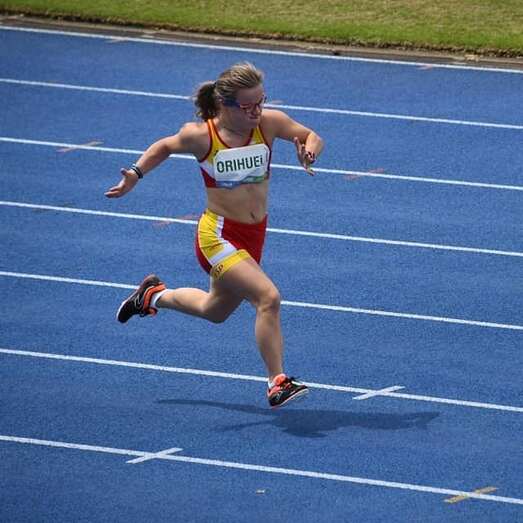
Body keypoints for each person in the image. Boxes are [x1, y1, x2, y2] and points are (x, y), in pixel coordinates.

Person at [105, 62, 324, 408]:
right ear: (225, 105)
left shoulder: (269, 123)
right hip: (217, 235)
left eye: (260, 102)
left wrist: (309, 151)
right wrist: (135, 173)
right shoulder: (203, 136)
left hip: (254, 235)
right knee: (268, 298)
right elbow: (164, 146)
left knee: (214, 310)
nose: (257, 111)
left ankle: (152, 297)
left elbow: (312, 134)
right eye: (248, 105)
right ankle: (277, 381)